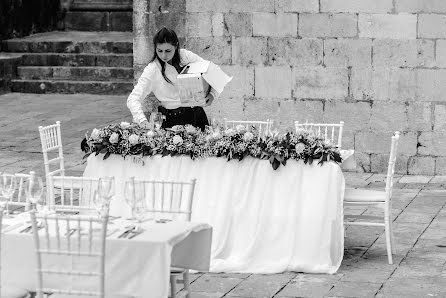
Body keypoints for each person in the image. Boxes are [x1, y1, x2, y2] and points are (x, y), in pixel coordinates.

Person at [127, 27, 219, 131]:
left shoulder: (186, 56)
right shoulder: (152, 69)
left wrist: (212, 95)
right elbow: (133, 99)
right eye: (159, 51)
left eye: (168, 50)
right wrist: (143, 121)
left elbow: (213, 72)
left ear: (176, 46)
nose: (163, 55)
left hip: (197, 114)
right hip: (172, 120)